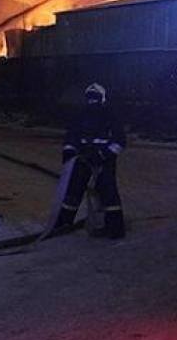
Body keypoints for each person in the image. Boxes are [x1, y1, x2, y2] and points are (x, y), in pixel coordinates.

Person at [54, 83, 126, 239]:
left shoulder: (110, 115)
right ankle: (63, 225)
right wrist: (69, 152)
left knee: (108, 194)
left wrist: (103, 155)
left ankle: (115, 229)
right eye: (90, 97)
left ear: (103, 99)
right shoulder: (80, 115)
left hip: (103, 162)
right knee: (73, 192)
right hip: (83, 159)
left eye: (95, 97)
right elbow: (72, 136)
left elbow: (120, 141)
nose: (92, 101)